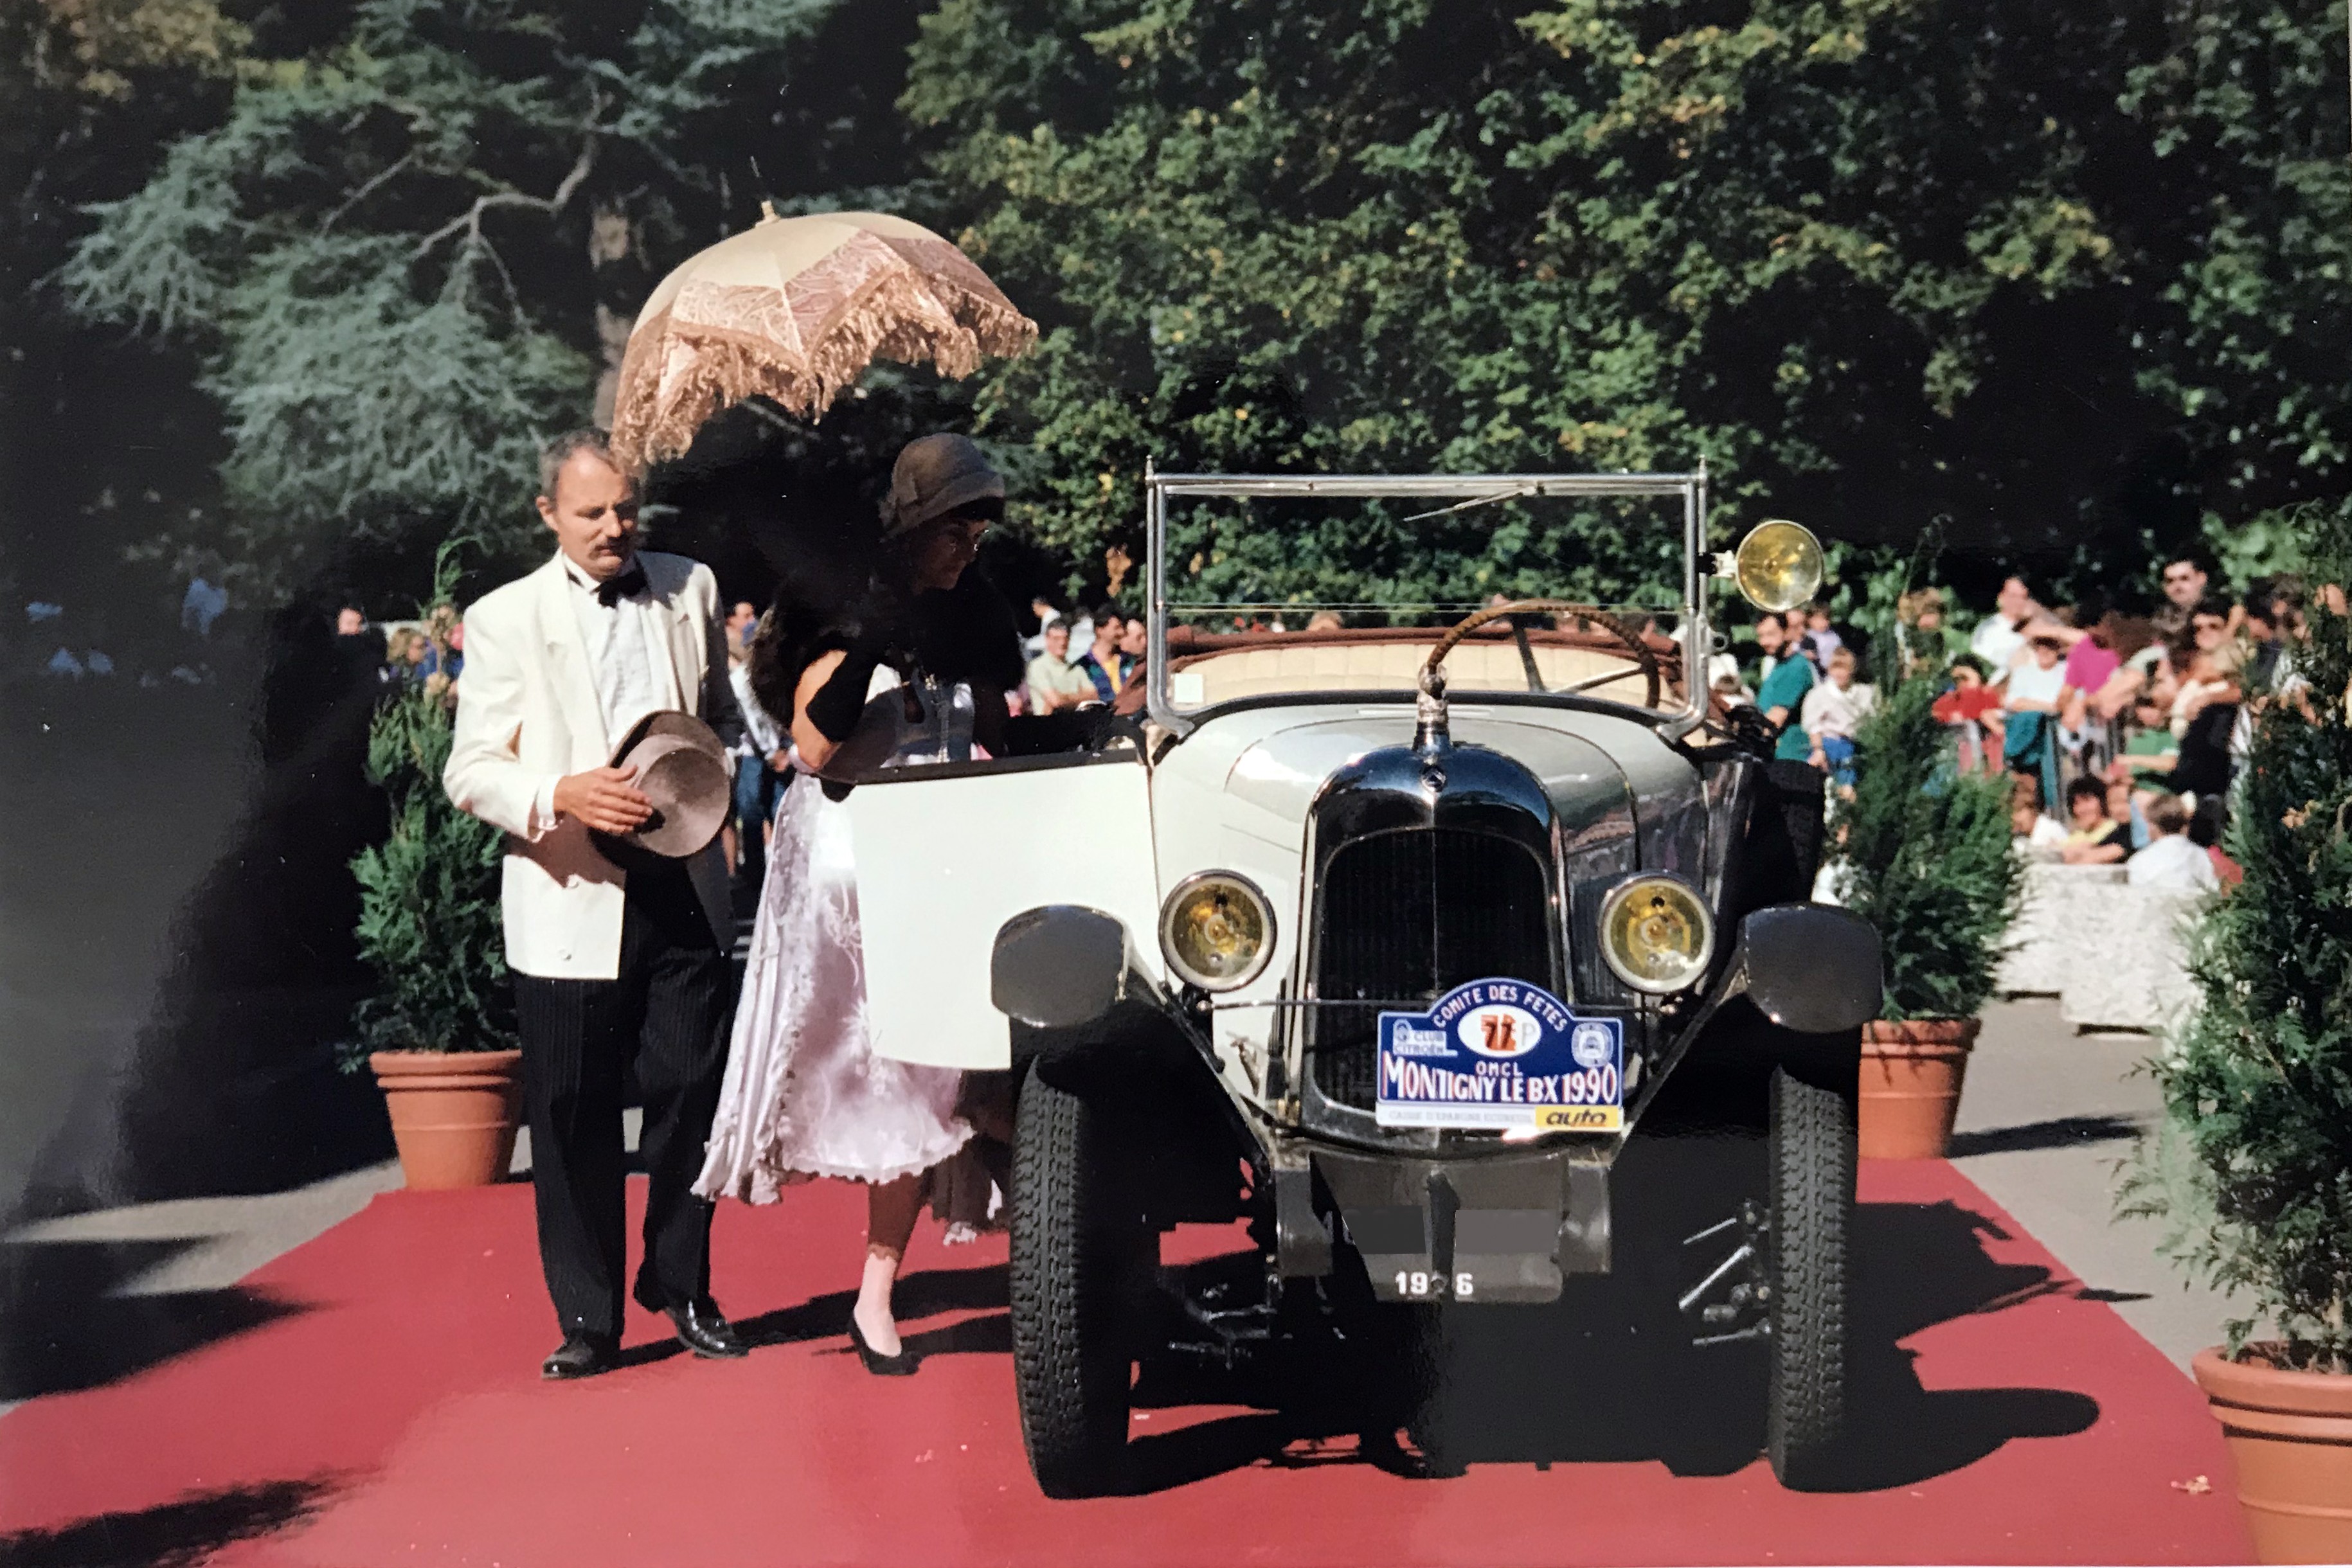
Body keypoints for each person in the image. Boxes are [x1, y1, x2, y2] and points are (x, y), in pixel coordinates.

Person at [697, 432, 1024, 1376]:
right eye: (952, 530)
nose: (967, 548)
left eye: (977, 531)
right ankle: (864, 1291)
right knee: (885, 1079)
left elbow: (996, 725)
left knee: (939, 1080)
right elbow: (812, 747)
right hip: (853, 868)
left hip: (948, 860)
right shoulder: (839, 609)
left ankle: (896, 1283)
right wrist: (876, 636)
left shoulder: (973, 616)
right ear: (912, 530)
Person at [442, 429, 748, 1381]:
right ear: (547, 516)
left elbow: (720, 719)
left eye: (624, 508)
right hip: (569, 891)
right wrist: (559, 795)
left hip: (684, 880)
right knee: (571, 1110)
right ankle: (589, 1317)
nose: (613, 527)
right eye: (591, 513)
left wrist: (713, 788)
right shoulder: (501, 618)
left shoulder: (690, 587)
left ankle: (683, 1282)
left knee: (692, 1088)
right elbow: (469, 770)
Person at [1800, 645, 1874, 788]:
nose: (1840, 673)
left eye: (1844, 668)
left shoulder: (1861, 693)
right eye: (1836, 668)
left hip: (1852, 746)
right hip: (1828, 746)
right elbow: (1813, 726)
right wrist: (1818, 750)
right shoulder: (1820, 695)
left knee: (1849, 789)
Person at [2127, 794, 2220, 891]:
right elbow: (2213, 891)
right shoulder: (2204, 858)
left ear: (2152, 826)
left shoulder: (2138, 862)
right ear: (2185, 825)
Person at [1754, 628, 1817, 765]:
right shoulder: (1779, 666)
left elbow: (1776, 719)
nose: (1764, 642)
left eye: (1771, 634)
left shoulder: (1796, 668)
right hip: (1774, 756)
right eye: (1760, 636)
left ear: (1788, 631)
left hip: (1789, 758)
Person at [1025, 618, 1096, 713]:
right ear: (1047, 639)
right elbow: (1056, 702)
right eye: (1056, 639)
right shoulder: (1038, 666)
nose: (1062, 643)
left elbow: (1094, 696)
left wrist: (1065, 697)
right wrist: (1080, 697)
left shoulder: (1077, 669)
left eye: (1065, 638)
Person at [2056, 776, 2126, 865]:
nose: (2081, 809)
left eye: (2087, 800)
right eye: (2076, 803)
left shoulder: (2115, 830)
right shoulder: (2078, 834)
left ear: (2103, 801)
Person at [1073, 602, 1128, 702]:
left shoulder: (1128, 661)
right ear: (1100, 630)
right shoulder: (1084, 666)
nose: (1122, 632)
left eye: (1122, 628)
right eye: (1116, 628)